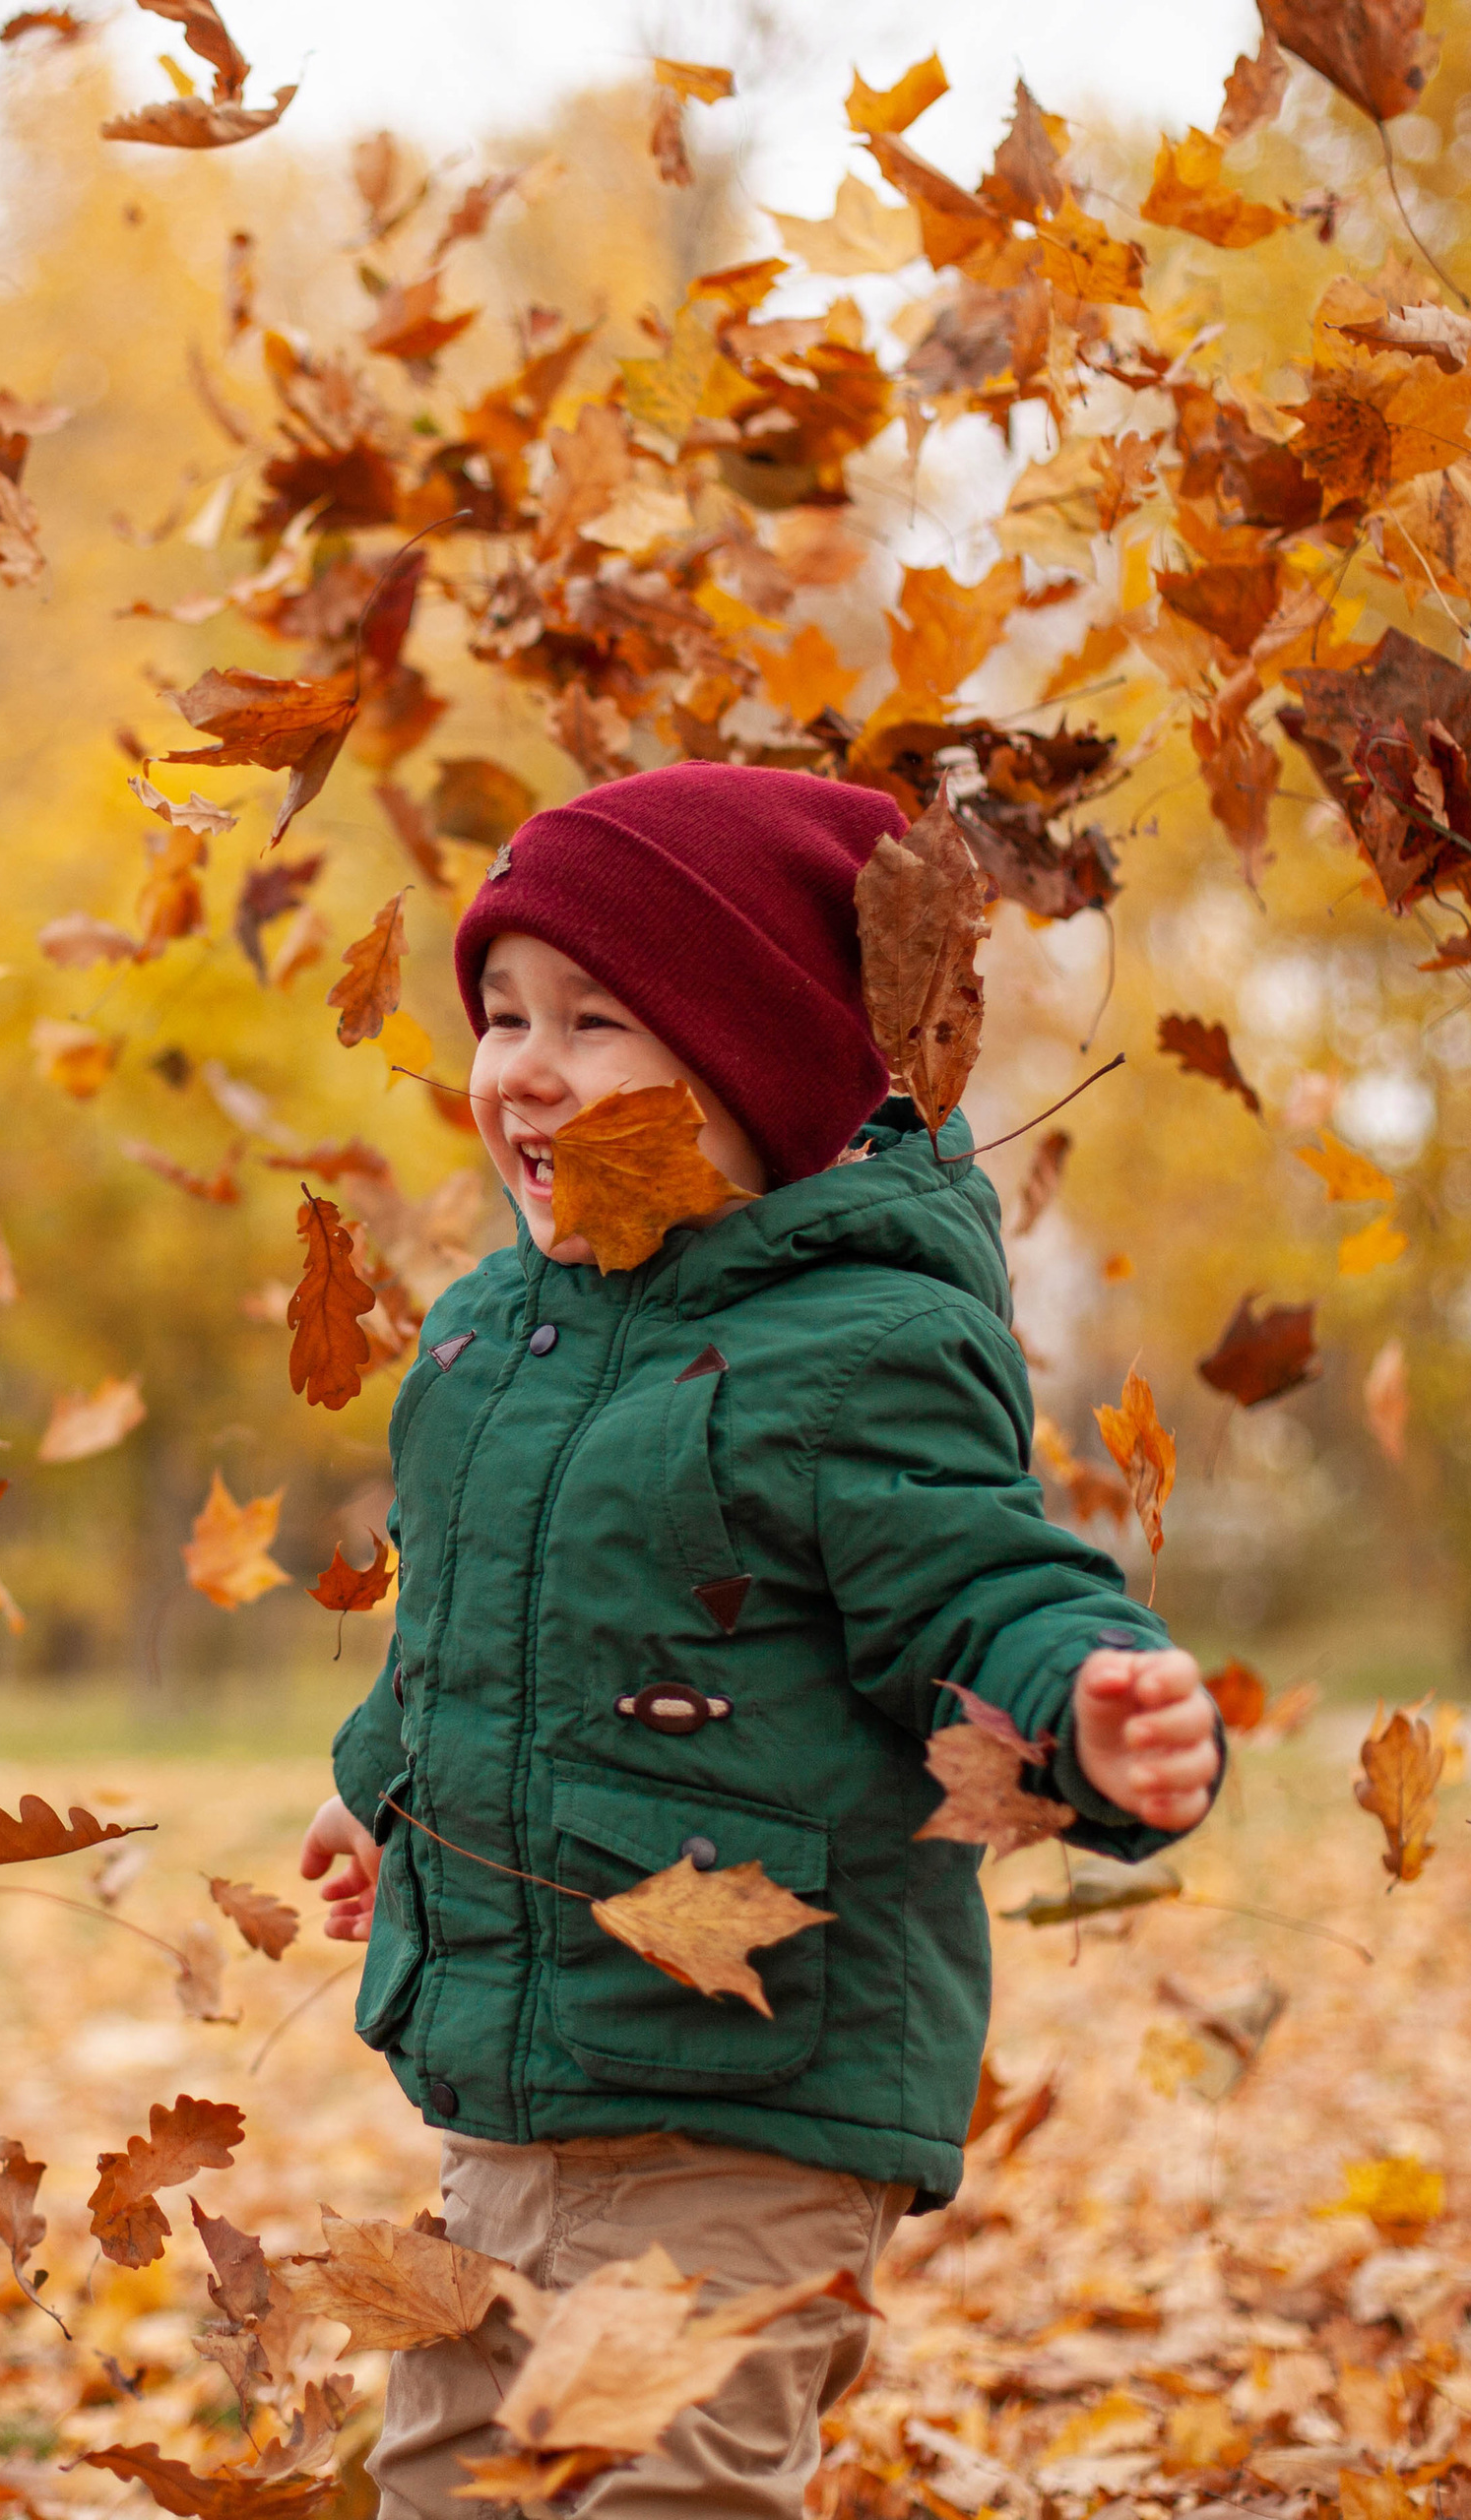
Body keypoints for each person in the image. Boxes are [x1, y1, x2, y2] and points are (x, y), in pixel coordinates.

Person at [297, 761, 1220, 2520]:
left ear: (759, 1064)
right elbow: (466, 1629)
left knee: (663, 2488)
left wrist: (1080, 1716)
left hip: (751, 2095)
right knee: (446, 2484)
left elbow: (980, 1585)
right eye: (503, 1015)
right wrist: (380, 1795)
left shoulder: (859, 1345)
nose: (527, 1068)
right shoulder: (499, 1337)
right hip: (507, 2094)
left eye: (600, 1022)